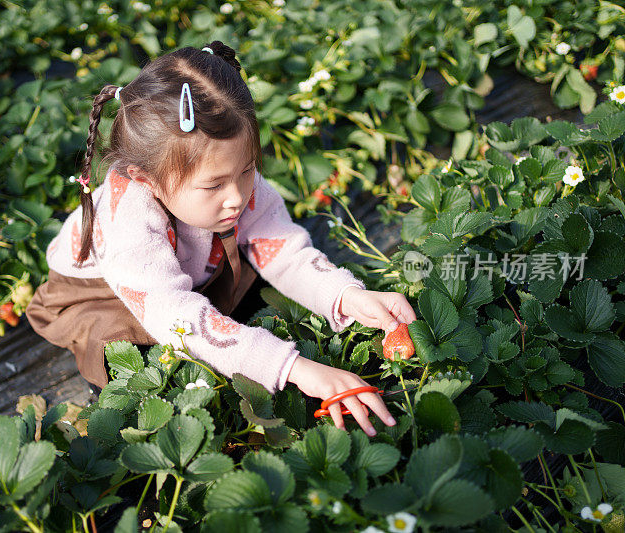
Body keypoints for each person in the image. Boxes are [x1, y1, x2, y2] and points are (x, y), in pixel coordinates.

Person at [26, 41, 416, 436]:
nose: (237, 197)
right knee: (133, 357)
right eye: (213, 185)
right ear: (148, 180)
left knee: (259, 277)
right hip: (102, 292)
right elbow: (177, 314)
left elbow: (282, 248)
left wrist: (349, 296)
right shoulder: (127, 221)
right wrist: (295, 369)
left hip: (189, 261)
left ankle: (235, 338)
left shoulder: (227, 180)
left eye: (247, 171)